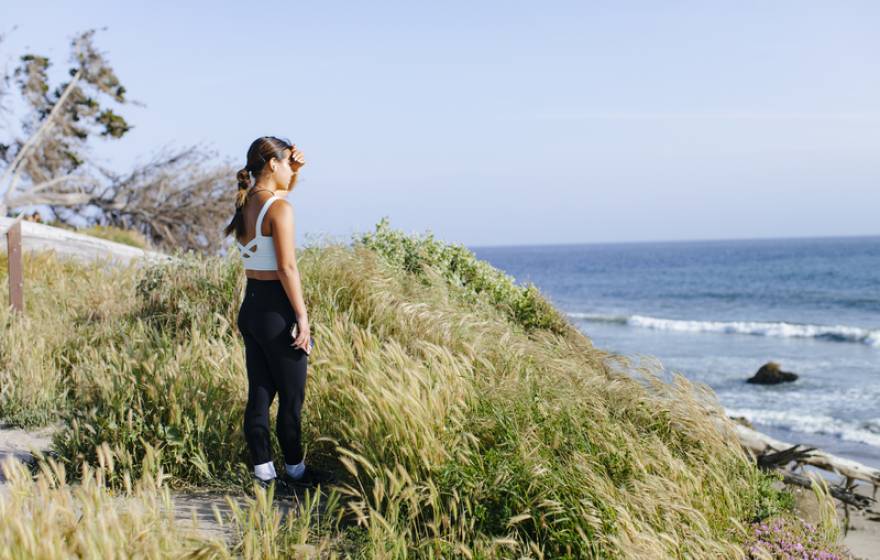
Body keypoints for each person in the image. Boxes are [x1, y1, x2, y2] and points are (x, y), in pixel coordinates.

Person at [224, 136, 334, 495]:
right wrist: (302, 317)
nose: (291, 169)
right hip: (277, 311)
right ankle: (297, 473)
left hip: (251, 307)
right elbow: (287, 267)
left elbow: (278, 198)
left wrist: (295, 172)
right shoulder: (279, 210)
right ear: (272, 164)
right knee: (291, 398)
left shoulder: (246, 203)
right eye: (287, 163)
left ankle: (265, 477)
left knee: (258, 394)